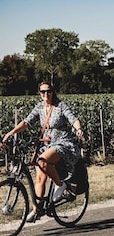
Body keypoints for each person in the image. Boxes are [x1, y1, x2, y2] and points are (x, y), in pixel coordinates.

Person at [1, 81, 84, 222]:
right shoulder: (39, 107)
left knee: (42, 161)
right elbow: (26, 122)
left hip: (63, 143)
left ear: (53, 91)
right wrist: (11, 133)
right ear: (39, 93)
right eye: (43, 92)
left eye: (48, 91)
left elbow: (73, 119)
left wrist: (78, 129)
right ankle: (37, 209)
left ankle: (61, 185)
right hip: (48, 145)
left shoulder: (60, 106)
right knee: (39, 176)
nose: (46, 94)